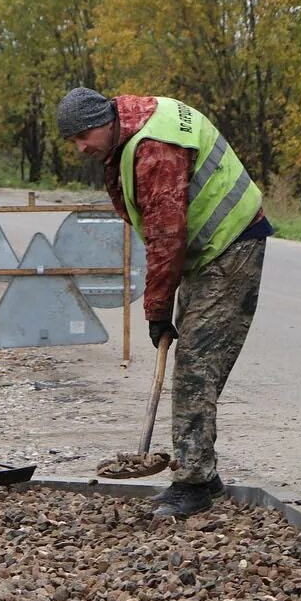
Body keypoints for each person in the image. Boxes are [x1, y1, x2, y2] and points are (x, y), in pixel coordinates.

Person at [57, 87, 273, 519]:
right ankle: (203, 471)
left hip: (230, 245)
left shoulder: (155, 150)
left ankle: (193, 484)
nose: (80, 148)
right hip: (209, 250)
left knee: (196, 367)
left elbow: (166, 237)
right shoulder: (129, 127)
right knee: (197, 363)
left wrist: (156, 310)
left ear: (103, 121)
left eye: (82, 137)